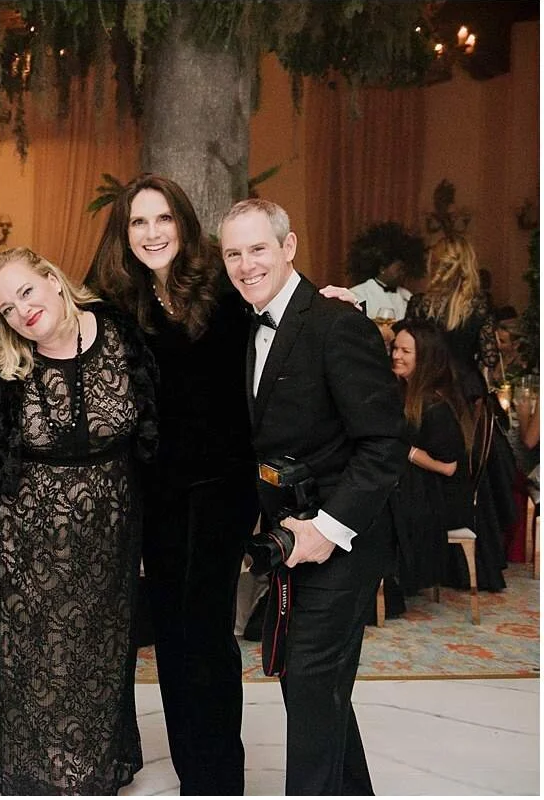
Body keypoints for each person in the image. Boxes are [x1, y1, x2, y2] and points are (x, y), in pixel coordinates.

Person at [219, 198, 406, 795]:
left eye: (258, 249)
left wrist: (327, 528)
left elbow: (385, 443)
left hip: (344, 539)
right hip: (291, 540)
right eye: (233, 253)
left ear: (289, 246)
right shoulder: (245, 324)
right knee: (315, 684)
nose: (246, 264)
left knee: (307, 678)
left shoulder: (335, 323)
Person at [85, 174, 259, 795]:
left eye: (163, 218)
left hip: (222, 486)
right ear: (124, 233)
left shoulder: (223, 285)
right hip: (155, 493)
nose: (152, 232)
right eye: (139, 221)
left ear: (183, 223)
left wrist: (329, 298)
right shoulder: (115, 301)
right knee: (173, 638)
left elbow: (280, 303)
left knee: (206, 632)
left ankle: (219, 780)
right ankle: (196, 776)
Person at [0, 247, 159, 795]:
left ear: (53, 280)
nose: (22, 311)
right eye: (7, 308)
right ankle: (39, 771)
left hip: (110, 530)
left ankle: (93, 766)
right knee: (37, 656)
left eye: (26, 292)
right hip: (24, 534)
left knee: (100, 651)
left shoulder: (121, 332)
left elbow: (153, 427)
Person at [390, 319, 505, 593]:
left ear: (425, 357)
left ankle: (388, 585)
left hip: (444, 500)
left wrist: (406, 451)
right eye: (395, 348)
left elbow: (448, 467)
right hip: (425, 490)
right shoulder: (408, 394)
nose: (396, 356)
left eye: (405, 351)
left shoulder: (436, 405)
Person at [406, 236, 499, 402]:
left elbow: (410, 350)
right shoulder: (480, 305)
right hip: (467, 388)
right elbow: (490, 358)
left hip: (428, 386)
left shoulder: (419, 304)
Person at [346, 221, 425, 324]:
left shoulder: (407, 296)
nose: (403, 273)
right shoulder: (358, 294)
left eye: (404, 269)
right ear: (382, 269)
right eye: (400, 269)